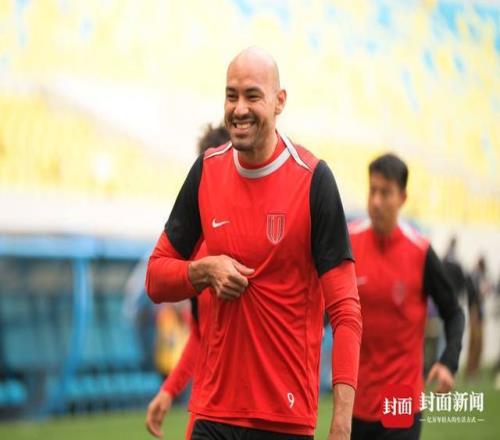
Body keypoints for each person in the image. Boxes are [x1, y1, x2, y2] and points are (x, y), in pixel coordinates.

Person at [145, 47, 362, 440]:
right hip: (212, 415)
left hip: (283, 420)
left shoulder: (313, 179)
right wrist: (203, 270)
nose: (239, 108)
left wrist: (342, 425)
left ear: (279, 102)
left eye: (252, 96)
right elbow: (156, 278)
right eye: (231, 95)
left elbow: (346, 312)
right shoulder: (206, 170)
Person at [349, 153, 465, 440]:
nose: (376, 201)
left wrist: (448, 361)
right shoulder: (348, 243)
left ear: (402, 197)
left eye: (385, 193)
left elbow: (454, 312)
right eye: (372, 191)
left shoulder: (420, 252)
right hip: (355, 399)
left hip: (400, 399)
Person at [145, 124, 230, 439]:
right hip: (207, 408)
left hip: (258, 411)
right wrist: (169, 390)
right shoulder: (192, 247)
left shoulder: (263, 241)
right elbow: (200, 333)